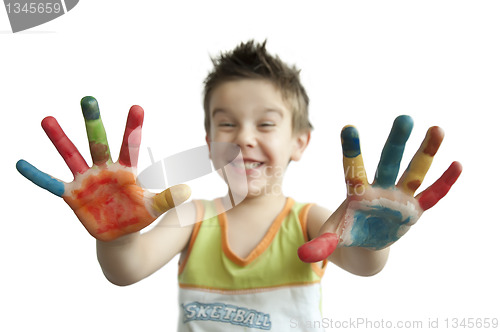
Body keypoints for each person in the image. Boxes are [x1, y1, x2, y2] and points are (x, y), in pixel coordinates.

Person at [16, 40, 462, 331]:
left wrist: (372, 237)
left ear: (299, 142)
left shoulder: (311, 221)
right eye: (226, 124)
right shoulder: (193, 218)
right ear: (209, 142)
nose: (244, 137)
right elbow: (125, 271)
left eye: (266, 123)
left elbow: (364, 264)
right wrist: (116, 234)